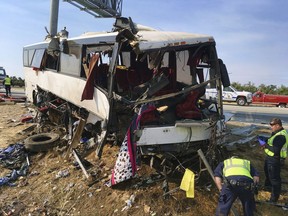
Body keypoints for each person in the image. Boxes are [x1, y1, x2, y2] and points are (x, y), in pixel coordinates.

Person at [262, 118, 288, 202]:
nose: (271, 128)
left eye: (272, 126)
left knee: (275, 179)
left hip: (275, 160)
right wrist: (265, 140)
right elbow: (272, 142)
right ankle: (268, 189)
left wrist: (265, 145)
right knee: (268, 174)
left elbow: (275, 150)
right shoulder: (276, 133)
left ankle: (273, 199)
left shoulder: (280, 136)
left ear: (278, 125)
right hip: (270, 158)